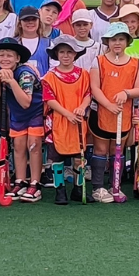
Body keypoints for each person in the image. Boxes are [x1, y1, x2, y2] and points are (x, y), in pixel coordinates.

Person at [88, 22, 139, 203]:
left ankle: (115, 186)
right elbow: (95, 88)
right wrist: (108, 105)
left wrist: (126, 93)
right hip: (101, 113)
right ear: (108, 42)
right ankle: (97, 187)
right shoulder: (99, 61)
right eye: (113, 40)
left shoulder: (136, 63)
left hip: (123, 114)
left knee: (117, 150)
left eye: (121, 39)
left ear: (127, 41)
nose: (117, 43)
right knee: (100, 149)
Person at [0, 37, 43, 202]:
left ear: (17, 58)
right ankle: (20, 181)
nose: (5, 59)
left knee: (33, 145)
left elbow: (26, 102)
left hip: (35, 112)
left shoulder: (25, 73)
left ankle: (35, 183)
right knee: (18, 146)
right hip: (17, 115)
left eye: (9, 55)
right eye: (1, 55)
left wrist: (11, 81)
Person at [42, 38, 91, 205]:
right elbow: (49, 99)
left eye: (70, 52)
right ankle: (60, 190)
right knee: (57, 159)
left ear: (75, 54)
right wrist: (66, 114)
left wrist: (82, 107)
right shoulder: (50, 77)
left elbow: (87, 94)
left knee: (79, 158)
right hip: (57, 122)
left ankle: (78, 189)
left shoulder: (84, 74)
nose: (66, 55)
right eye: (62, 52)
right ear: (56, 54)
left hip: (77, 122)